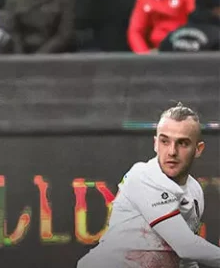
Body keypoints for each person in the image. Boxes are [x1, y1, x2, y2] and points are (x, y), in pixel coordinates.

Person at [77, 103, 220, 268]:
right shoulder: (142, 176)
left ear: (198, 149)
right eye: (165, 141)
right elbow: (186, 247)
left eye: (182, 143)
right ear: (155, 144)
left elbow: (185, 259)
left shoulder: (195, 190)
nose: (172, 151)